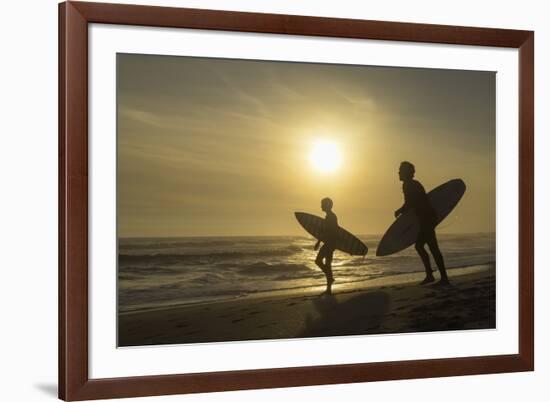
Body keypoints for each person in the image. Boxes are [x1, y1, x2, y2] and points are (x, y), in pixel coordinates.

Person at [394, 161, 450, 285]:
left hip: (426, 219)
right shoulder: (413, 183)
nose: (398, 173)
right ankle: (436, 276)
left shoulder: (408, 185)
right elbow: (413, 202)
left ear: (406, 173)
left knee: (425, 247)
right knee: (429, 247)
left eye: (400, 170)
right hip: (427, 217)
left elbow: (410, 203)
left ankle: (438, 277)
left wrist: (400, 210)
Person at [314, 197, 338, 294]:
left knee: (318, 261)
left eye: (322, 204)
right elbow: (327, 231)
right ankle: (329, 288)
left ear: (327, 205)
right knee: (328, 264)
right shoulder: (330, 216)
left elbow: (329, 231)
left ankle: (330, 278)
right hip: (330, 243)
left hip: (329, 243)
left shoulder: (331, 217)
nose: (321, 206)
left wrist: (318, 242)